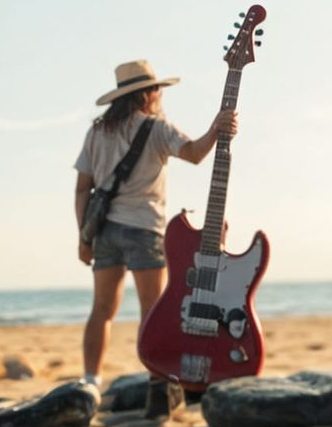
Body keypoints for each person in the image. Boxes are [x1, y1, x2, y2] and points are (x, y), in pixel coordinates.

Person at [73, 59, 237, 389]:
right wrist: (216, 129)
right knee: (153, 311)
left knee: (102, 310)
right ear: (148, 94)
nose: (160, 95)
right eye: (157, 90)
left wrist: (84, 237)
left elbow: (82, 189)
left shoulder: (97, 132)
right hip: (145, 228)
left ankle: (90, 380)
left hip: (104, 230)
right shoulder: (157, 128)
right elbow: (193, 153)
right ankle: (156, 379)